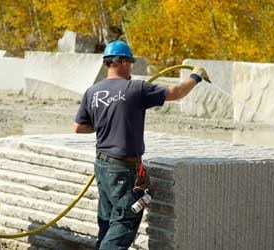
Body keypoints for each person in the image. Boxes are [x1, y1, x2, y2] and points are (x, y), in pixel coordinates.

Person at [73, 40, 210, 249]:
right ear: (123, 62)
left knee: (108, 219)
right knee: (124, 222)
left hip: (102, 166)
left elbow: (79, 127)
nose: (131, 67)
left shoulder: (92, 92)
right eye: (130, 62)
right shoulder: (136, 88)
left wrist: (103, 122)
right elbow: (176, 93)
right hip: (123, 169)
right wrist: (196, 76)